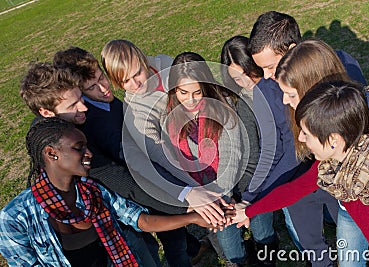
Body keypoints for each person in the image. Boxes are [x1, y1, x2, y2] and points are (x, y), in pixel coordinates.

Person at [247, 11, 369, 266]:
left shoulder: (341, 70)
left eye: (271, 66)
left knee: (360, 237)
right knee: (312, 247)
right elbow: (283, 151)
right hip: (298, 185)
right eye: (260, 69)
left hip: (345, 180)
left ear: (292, 50)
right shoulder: (266, 92)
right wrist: (253, 196)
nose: (267, 76)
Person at [0, 117, 211, 267]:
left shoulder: (92, 191)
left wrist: (192, 218)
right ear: (51, 153)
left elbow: (141, 220)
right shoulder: (15, 217)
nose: (88, 153)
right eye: (78, 147)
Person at [233, 80, 369, 267]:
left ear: (333, 140)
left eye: (306, 134)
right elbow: (295, 189)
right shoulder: (332, 165)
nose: (300, 139)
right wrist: (248, 211)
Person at [101, 40, 231, 267]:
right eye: (125, 81)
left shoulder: (165, 63)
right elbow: (161, 155)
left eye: (137, 73)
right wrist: (194, 189)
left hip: (210, 133)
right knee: (213, 207)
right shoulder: (135, 112)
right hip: (186, 160)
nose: (135, 84)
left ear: (143, 59)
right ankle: (229, 252)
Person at [273, 38, 369, 266]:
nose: (284, 100)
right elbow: (306, 177)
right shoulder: (307, 119)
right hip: (347, 208)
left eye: (291, 94)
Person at [164, 51, 246, 266]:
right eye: (183, 92)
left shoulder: (224, 110)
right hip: (196, 193)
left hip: (224, 191)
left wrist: (216, 199)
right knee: (217, 236)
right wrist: (196, 197)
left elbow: (232, 157)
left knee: (229, 243)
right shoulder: (170, 117)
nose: (190, 100)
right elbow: (174, 161)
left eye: (197, 92)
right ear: (174, 90)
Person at [218, 35, 280, 266]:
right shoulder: (239, 101)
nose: (245, 81)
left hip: (265, 176)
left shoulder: (272, 88)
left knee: (263, 228)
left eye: (247, 72)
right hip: (247, 179)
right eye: (236, 76)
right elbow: (250, 153)